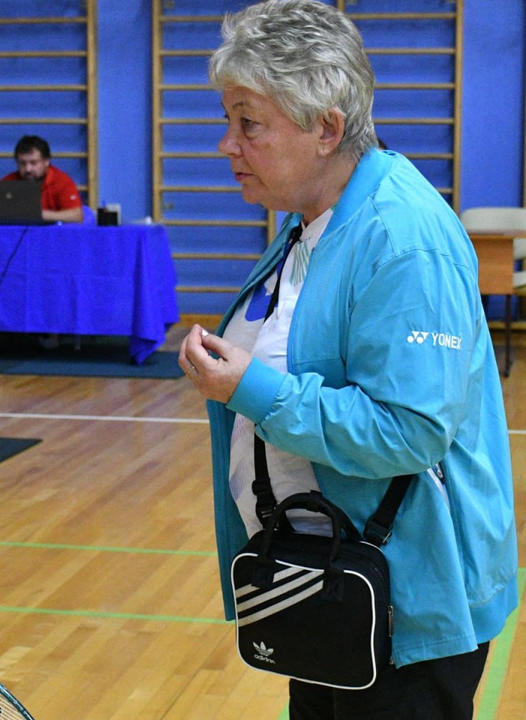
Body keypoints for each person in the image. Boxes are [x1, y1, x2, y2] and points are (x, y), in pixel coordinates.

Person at [178, 2, 517, 719]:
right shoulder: (314, 219)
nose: (226, 144)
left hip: (409, 603)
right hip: (330, 576)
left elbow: (408, 431)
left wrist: (252, 389)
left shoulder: (402, 236)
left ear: (326, 128)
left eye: (248, 123)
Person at [1, 135, 83, 223]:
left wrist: (38, 214)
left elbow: (77, 216)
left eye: (34, 163)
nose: (28, 169)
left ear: (46, 161)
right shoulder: (8, 181)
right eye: (22, 163)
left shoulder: (61, 181)